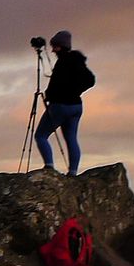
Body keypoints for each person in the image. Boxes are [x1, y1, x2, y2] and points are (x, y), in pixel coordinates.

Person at [34, 30, 94, 175]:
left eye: (55, 47)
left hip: (60, 106)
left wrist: (51, 95)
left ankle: (49, 167)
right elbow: (91, 80)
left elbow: (56, 84)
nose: (53, 50)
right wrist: (76, 91)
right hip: (76, 106)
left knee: (40, 135)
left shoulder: (63, 62)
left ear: (61, 46)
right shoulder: (77, 60)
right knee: (71, 138)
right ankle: (73, 172)